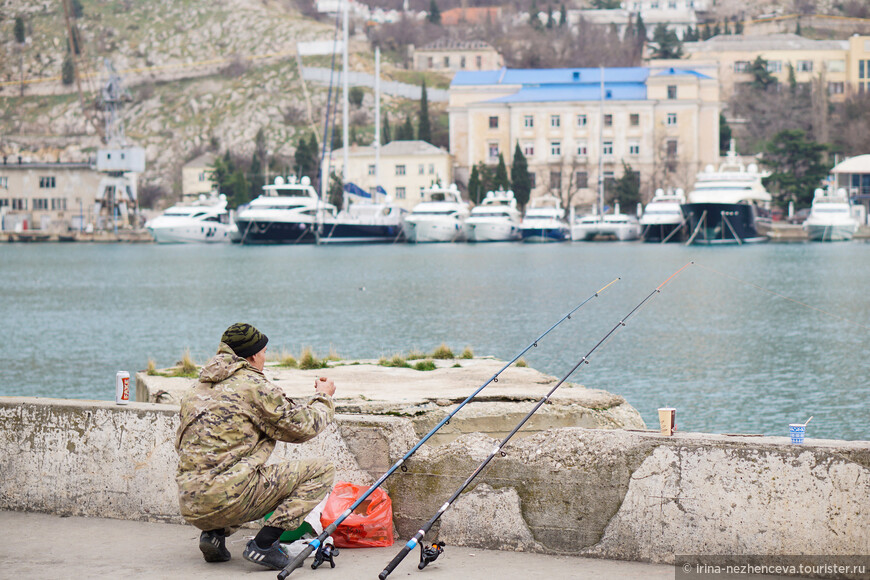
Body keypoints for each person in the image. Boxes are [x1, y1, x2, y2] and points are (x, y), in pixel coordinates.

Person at [174, 322, 336, 570]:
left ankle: (213, 534)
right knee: (322, 470)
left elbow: (182, 446)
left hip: (191, 502)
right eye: (264, 353)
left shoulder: (195, 389)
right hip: (229, 498)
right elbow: (303, 427)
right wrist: (323, 396)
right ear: (252, 355)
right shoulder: (254, 386)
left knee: (227, 467)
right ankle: (264, 545)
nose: (264, 358)